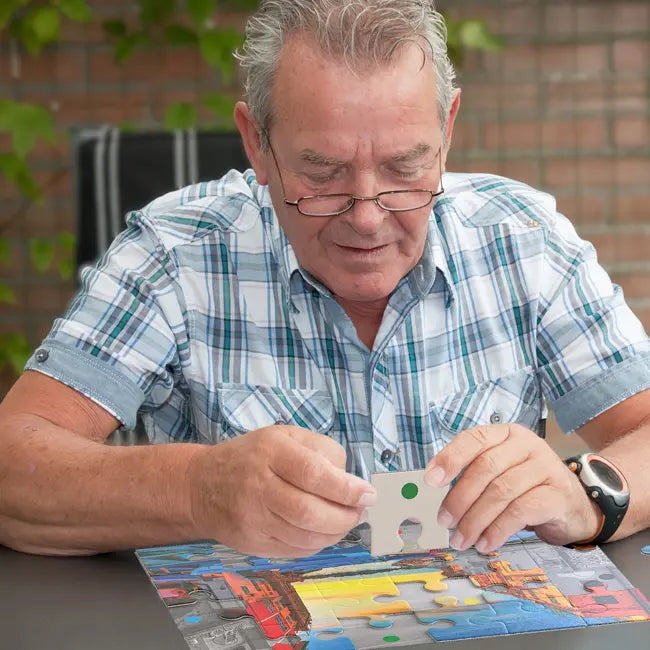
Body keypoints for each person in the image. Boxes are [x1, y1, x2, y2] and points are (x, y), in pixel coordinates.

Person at [1, 0, 649, 559]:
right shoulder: (173, 253)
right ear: (257, 143)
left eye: (404, 168)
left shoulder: (522, 240)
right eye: (322, 173)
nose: (367, 217)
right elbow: (14, 464)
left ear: (446, 132)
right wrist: (198, 490)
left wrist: (588, 492)